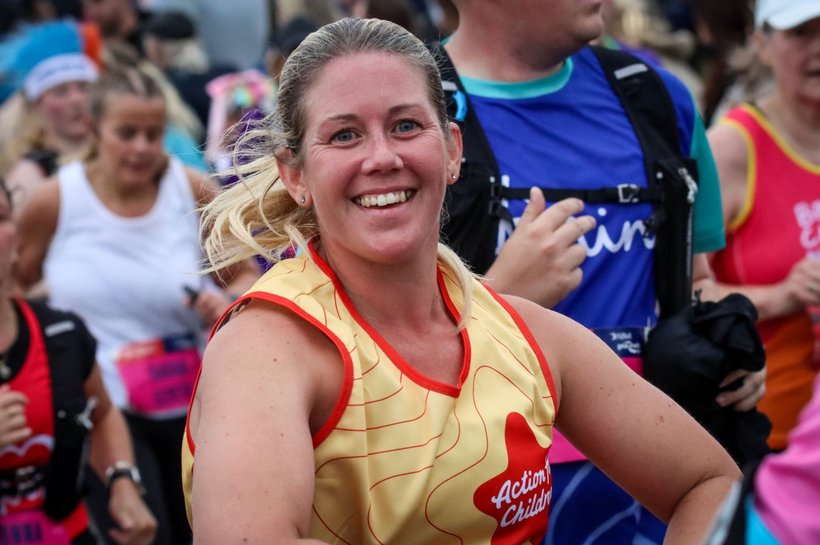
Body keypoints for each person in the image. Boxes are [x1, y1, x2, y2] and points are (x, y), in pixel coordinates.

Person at [182, 17, 740, 545]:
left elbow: (709, 484)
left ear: (452, 151)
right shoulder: (267, 346)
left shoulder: (523, 334)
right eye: (345, 135)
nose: (382, 157)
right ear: (296, 174)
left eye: (405, 126)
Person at [437, 1, 766, 544]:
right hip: (484, 492)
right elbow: (361, 344)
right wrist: (497, 301)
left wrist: (727, 352)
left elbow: (696, 281)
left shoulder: (660, 100)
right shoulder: (408, 117)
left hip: (655, 489)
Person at [14, 63, 259, 545]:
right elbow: (14, 289)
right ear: (93, 128)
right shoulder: (55, 200)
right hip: (107, 407)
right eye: (127, 133)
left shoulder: (189, 189)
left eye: (153, 133)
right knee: (148, 533)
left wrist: (226, 300)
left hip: (196, 401)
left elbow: (245, 272)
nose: (143, 148)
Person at [0, 177, 156, 545]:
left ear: (17, 237)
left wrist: (122, 481)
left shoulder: (61, 333)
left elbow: (100, 413)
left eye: (0, 216)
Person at [707, 0, 820, 455]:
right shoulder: (732, 148)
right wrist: (781, 296)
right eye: (801, 33)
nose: (818, 49)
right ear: (761, 43)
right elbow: (678, 295)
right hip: (766, 443)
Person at [2, 20, 99, 212]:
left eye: (83, 87)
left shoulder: (116, 152)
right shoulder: (29, 175)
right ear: (36, 106)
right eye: (61, 92)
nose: (76, 100)